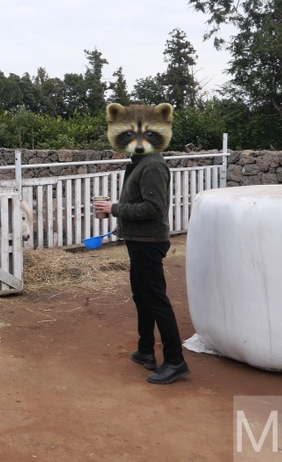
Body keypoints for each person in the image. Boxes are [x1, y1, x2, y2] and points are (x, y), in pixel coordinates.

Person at [95, 102, 190, 385]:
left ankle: (175, 361)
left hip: (149, 242)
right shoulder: (139, 163)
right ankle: (146, 351)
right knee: (142, 297)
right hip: (139, 239)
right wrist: (120, 222)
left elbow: (153, 208)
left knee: (156, 300)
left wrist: (115, 208)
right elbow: (139, 204)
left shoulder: (152, 165)